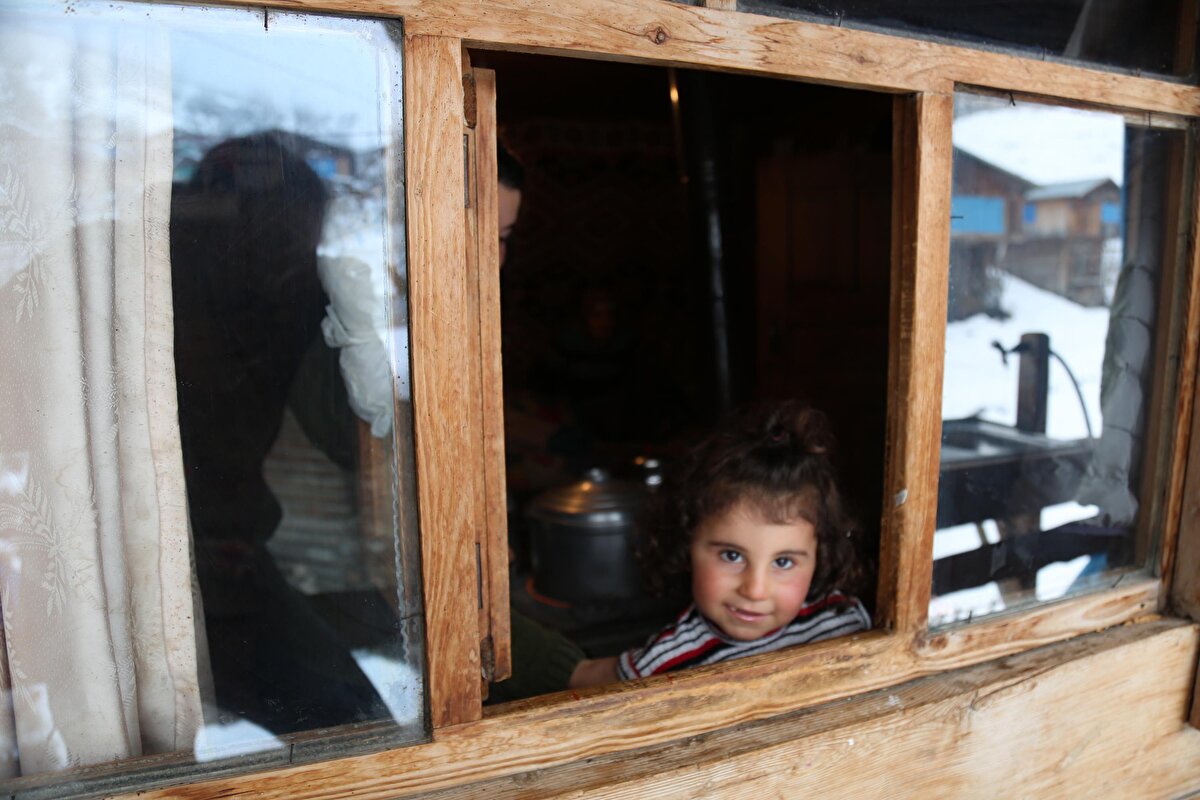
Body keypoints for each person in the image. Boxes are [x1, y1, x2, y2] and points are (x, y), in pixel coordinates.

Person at [569, 401, 870, 687]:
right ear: (688, 542)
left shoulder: (843, 621)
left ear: (820, 555)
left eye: (783, 562)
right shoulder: (663, 664)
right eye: (731, 555)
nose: (754, 590)